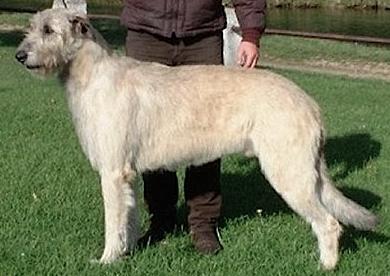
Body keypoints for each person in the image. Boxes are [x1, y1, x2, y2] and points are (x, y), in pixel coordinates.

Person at [120, 0, 266, 254]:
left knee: (208, 132)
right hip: (146, 34)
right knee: (151, 134)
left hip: (202, 36)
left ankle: (203, 223)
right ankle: (161, 218)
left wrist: (250, 34)